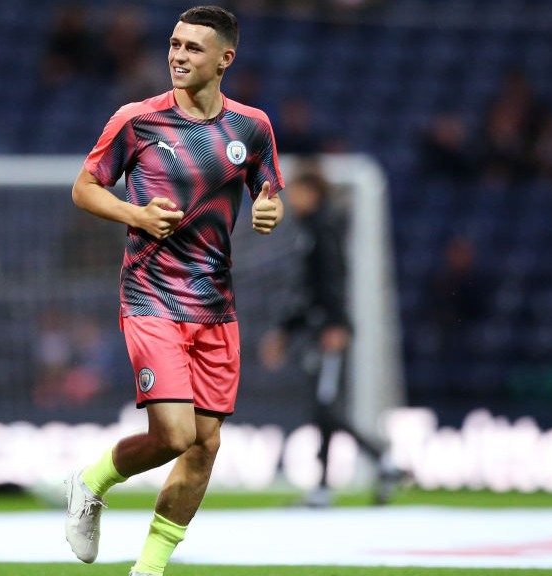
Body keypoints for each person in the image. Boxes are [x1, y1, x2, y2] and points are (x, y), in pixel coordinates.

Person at [65, 7, 284, 575]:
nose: (178, 55)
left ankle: (149, 569)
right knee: (174, 434)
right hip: (151, 296)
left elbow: (269, 188)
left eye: (192, 48)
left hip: (216, 304)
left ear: (225, 59)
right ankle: (90, 481)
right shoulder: (137, 120)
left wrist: (268, 208)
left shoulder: (252, 127)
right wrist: (134, 212)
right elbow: (85, 189)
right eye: (174, 44)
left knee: (205, 445)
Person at [258, 169, 402, 507]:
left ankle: (382, 459)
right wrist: (285, 330)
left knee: (325, 407)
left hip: (328, 331)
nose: (290, 199)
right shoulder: (310, 231)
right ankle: (327, 486)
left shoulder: (323, 229)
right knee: (323, 408)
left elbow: (334, 282)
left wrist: (337, 324)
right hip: (317, 329)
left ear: (313, 192)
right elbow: (308, 292)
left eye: (295, 191)